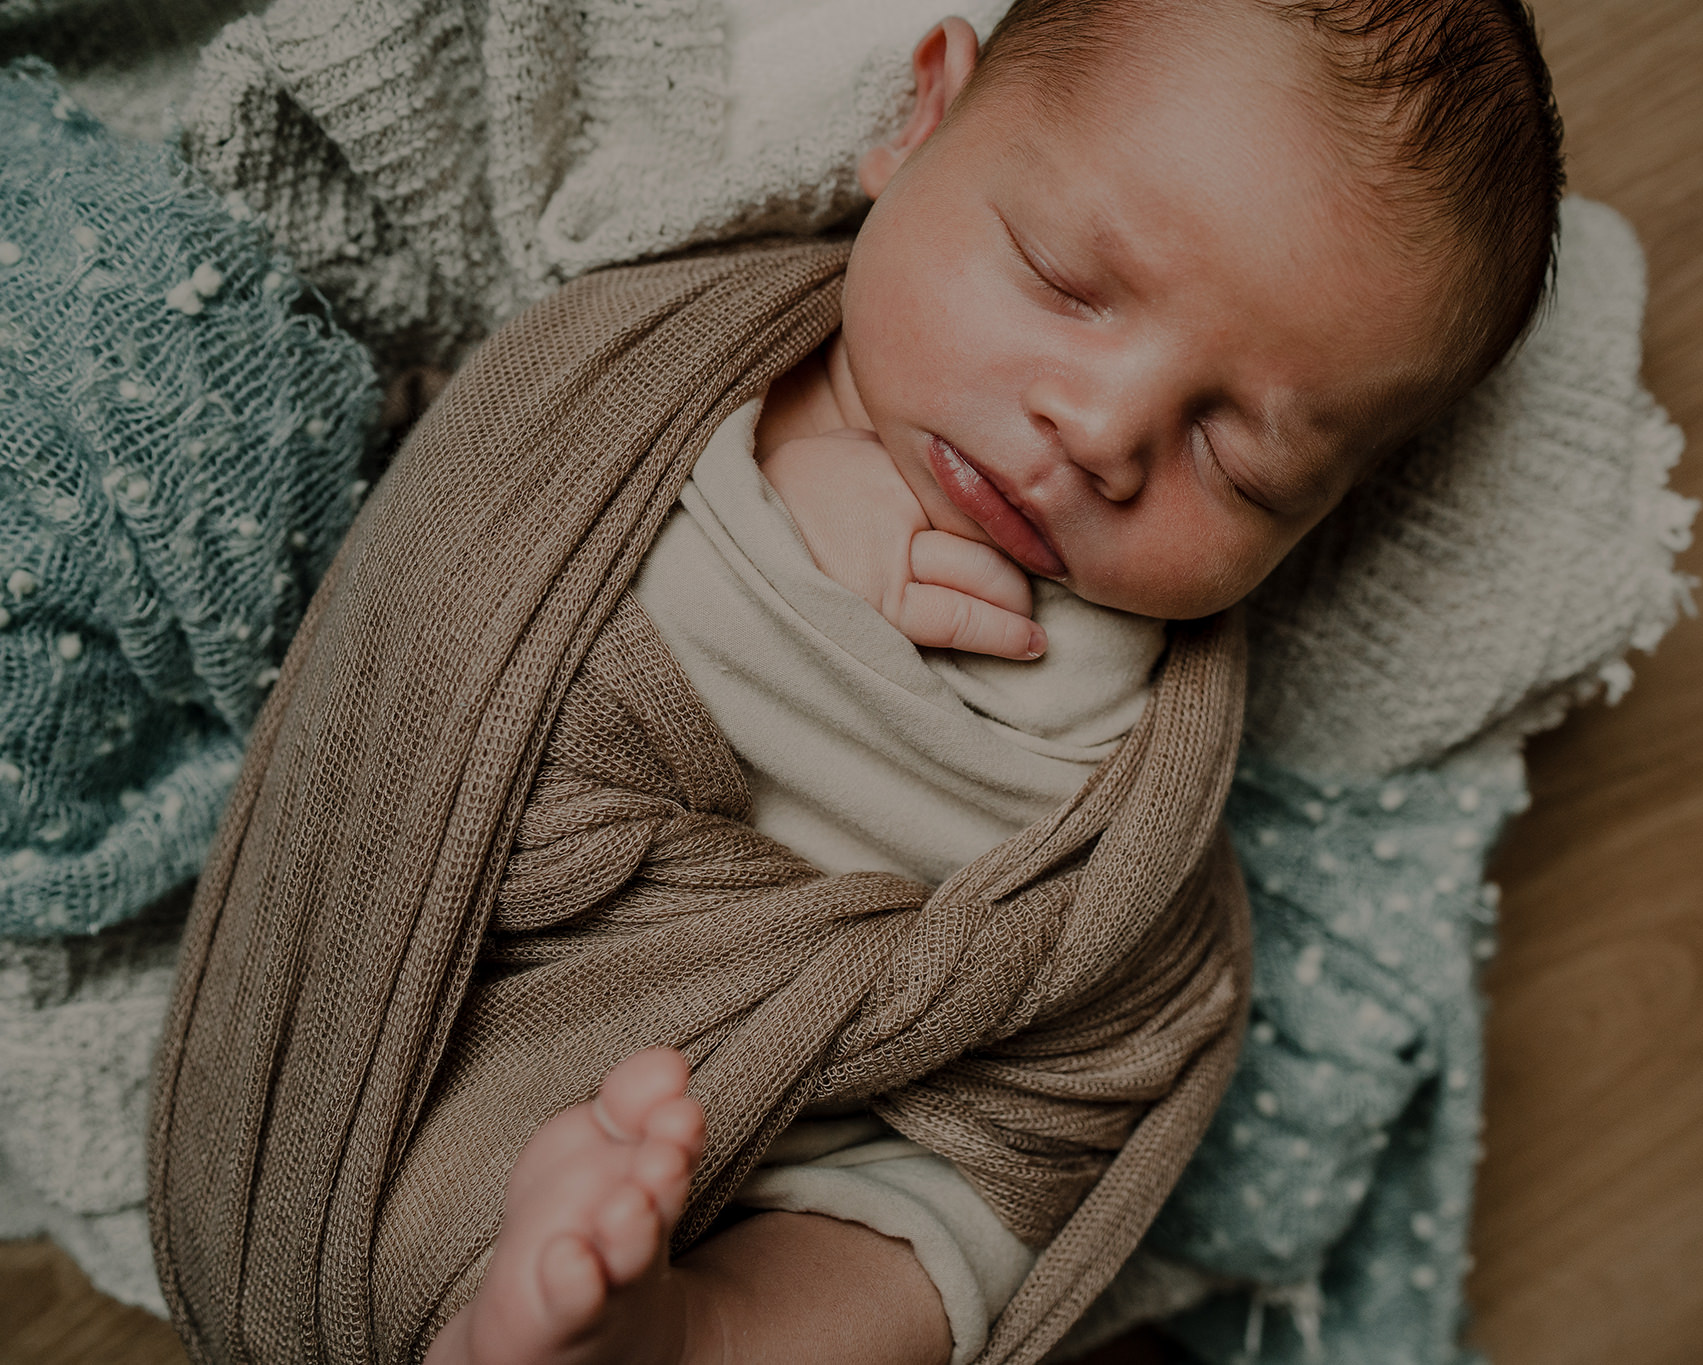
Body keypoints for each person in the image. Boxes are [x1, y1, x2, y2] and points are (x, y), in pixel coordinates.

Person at [416, 1, 1560, 1361]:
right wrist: (763, 532)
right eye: (1069, 281)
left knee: (942, 1232)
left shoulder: (1124, 758)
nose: (1104, 433)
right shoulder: (658, 394)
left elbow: (1087, 1047)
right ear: (923, 120)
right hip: (475, 1008)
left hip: (832, 1127)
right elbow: (461, 630)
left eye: (1239, 459)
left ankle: (681, 1336)